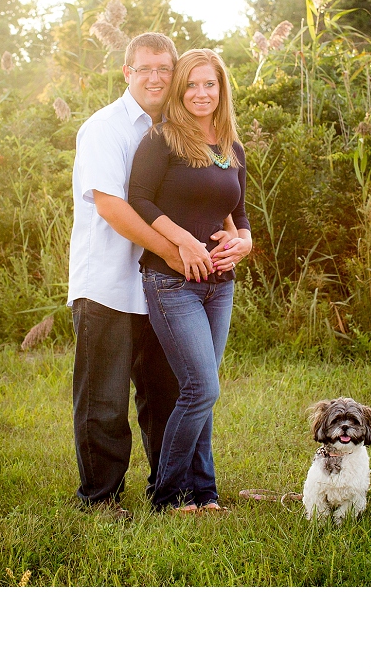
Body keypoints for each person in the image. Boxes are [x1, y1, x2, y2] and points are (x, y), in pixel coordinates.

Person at [68, 32, 186, 520]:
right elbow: (114, 208)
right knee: (105, 400)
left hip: (159, 286)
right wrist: (174, 251)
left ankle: (169, 491)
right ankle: (101, 499)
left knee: (164, 395)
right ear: (127, 74)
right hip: (109, 284)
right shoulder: (104, 128)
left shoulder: (179, 131)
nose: (156, 78)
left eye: (165, 69)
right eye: (145, 69)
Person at [129, 48, 251, 513]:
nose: (201, 93)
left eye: (210, 84)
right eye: (192, 84)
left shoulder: (231, 147)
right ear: (180, 90)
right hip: (171, 283)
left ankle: (205, 493)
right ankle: (168, 495)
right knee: (202, 388)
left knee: (199, 391)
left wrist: (245, 242)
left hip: (221, 283)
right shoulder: (162, 140)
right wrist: (184, 242)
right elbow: (139, 199)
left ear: (222, 90)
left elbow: (239, 215)